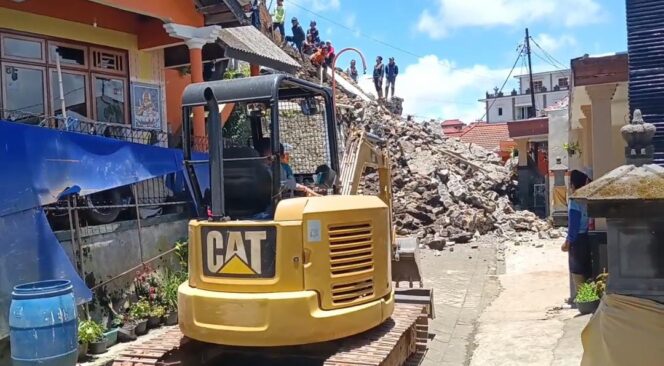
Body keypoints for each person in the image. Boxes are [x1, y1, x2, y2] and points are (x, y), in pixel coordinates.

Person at [562, 169, 593, 304]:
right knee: (586, 268)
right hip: (588, 236)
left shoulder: (574, 200)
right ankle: (587, 297)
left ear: (573, 184)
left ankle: (583, 299)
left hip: (578, 239)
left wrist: (568, 241)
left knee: (576, 269)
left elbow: (573, 224)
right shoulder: (587, 199)